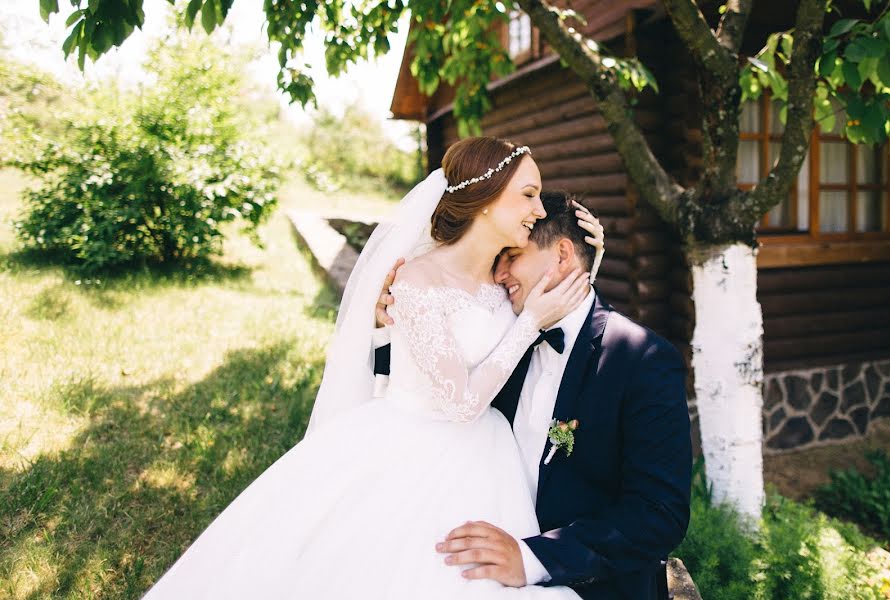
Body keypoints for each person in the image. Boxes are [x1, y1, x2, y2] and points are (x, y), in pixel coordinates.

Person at [144, 137, 602, 599]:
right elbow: (462, 400)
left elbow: (557, 301)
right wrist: (525, 326)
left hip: (488, 457)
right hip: (409, 448)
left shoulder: (505, 279)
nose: (538, 211)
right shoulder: (416, 279)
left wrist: (590, 255)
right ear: (486, 198)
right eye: (527, 194)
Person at [374, 191, 693, 600]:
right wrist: (389, 321)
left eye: (512, 257)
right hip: (472, 557)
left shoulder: (642, 360)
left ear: (562, 256)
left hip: (586, 582)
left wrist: (532, 557)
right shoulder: (505, 333)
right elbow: (430, 384)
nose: (498, 275)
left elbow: (658, 514)